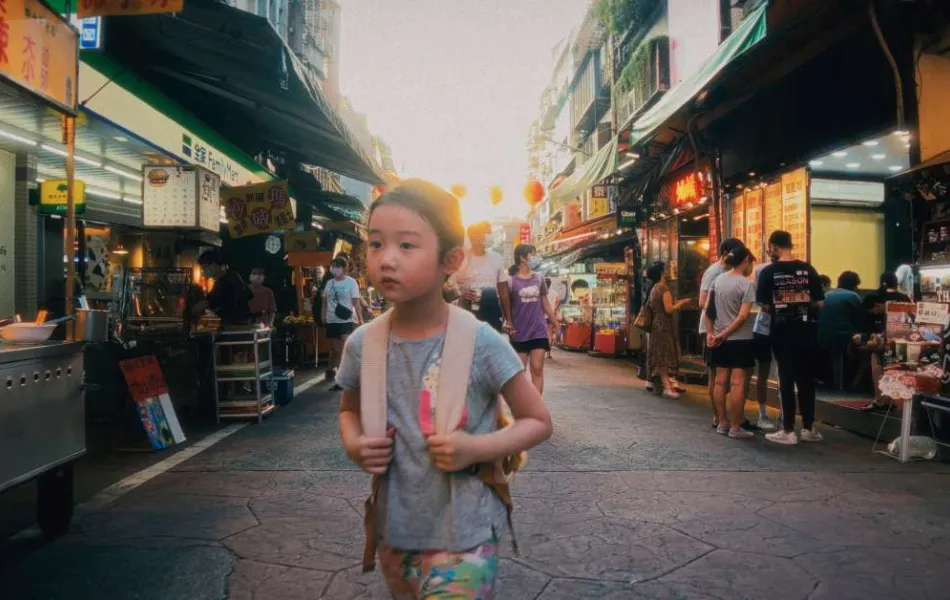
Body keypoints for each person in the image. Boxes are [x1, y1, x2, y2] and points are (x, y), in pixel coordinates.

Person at [336, 179, 552, 598]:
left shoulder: (482, 342)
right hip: (394, 532)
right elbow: (349, 409)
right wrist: (354, 444)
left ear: (450, 260)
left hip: (465, 538)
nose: (387, 260)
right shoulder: (364, 344)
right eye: (376, 244)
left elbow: (538, 421)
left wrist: (476, 448)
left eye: (407, 246)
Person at [756, 230, 825, 445]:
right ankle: (808, 427)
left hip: (781, 333)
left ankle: (788, 430)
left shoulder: (769, 272)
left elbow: (764, 306)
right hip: (806, 331)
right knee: (806, 380)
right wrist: (801, 301)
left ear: (775, 246)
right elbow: (820, 303)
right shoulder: (808, 269)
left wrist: (782, 303)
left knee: (786, 380)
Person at [705, 246, 757, 439]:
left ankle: (722, 422)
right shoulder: (746, 284)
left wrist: (712, 334)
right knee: (737, 383)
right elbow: (743, 316)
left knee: (720, 381)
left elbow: (709, 310)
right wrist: (724, 334)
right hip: (740, 340)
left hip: (719, 338)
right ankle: (736, 426)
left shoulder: (718, 280)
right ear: (745, 261)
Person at [697, 238, 746, 425]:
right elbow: (703, 303)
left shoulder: (729, 273)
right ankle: (718, 416)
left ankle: (728, 417)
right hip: (712, 328)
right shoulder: (714, 272)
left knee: (722, 376)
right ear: (726, 253)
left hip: (724, 329)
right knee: (716, 375)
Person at [507, 244, 559, 394]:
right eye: (533, 254)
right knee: (519, 373)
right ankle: (522, 405)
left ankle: (536, 406)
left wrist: (555, 322)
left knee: (537, 369)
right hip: (519, 332)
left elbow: (545, 304)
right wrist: (507, 323)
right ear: (523, 258)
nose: (536, 258)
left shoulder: (539, 278)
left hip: (538, 330)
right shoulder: (510, 281)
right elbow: (506, 307)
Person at [860, 272, 911, 410]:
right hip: (904, 341)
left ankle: (881, 401)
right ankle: (892, 401)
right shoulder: (905, 298)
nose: (874, 312)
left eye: (874, 309)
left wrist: (871, 338)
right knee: (892, 369)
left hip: (889, 343)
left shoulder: (875, 296)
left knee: (877, 360)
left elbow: (872, 325)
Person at [451, 221, 510, 333]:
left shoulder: (496, 258)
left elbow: (503, 291)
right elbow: (448, 286)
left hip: (491, 313)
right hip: (465, 315)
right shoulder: (461, 258)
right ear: (475, 237)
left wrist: (508, 319)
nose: (490, 236)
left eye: (490, 233)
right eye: (487, 233)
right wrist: (461, 295)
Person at [646, 261, 690, 399]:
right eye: (665, 270)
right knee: (664, 356)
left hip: (656, 324)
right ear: (661, 273)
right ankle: (667, 386)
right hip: (664, 325)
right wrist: (681, 303)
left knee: (659, 355)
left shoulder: (654, 289)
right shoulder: (663, 289)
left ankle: (662, 385)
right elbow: (669, 309)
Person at [817, 271, 862, 390]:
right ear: (854, 285)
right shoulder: (853, 296)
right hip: (842, 337)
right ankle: (849, 384)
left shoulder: (827, 295)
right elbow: (860, 318)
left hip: (821, 336)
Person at [323, 256, 362, 390]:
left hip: (346, 319)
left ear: (344, 268)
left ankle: (345, 378)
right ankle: (340, 377)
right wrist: (323, 316)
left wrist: (360, 319)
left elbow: (356, 302)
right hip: (331, 319)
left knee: (346, 349)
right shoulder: (329, 283)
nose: (334, 268)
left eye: (337, 266)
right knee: (336, 350)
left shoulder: (351, 282)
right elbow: (324, 301)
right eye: (333, 266)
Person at [750, 262, 777, 431]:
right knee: (763, 372)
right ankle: (762, 413)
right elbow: (758, 299)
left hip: (779, 326)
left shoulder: (793, 270)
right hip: (763, 327)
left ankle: (783, 416)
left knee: (783, 373)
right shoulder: (761, 270)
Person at [196, 249, 252, 327]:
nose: (203, 271)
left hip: (234, 327)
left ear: (214, 265)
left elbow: (210, 302)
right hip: (239, 323)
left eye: (205, 268)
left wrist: (190, 312)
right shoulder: (232, 276)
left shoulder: (226, 281)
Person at [544, 276, 561, 358]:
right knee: (550, 334)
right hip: (551, 315)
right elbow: (559, 299)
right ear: (550, 284)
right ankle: (548, 353)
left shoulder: (542, 293)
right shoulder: (554, 292)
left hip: (542, 316)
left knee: (542, 334)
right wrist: (555, 308)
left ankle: (542, 352)